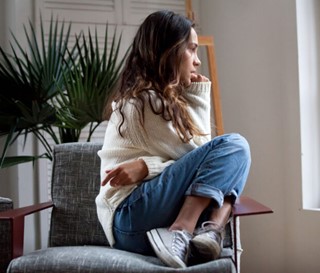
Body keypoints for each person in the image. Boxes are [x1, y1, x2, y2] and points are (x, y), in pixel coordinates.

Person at [95, 10, 251, 269]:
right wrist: (199, 95)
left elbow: (205, 167)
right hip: (131, 216)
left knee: (229, 165)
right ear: (169, 51)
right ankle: (186, 228)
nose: (197, 62)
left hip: (143, 219)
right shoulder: (144, 103)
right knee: (236, 147)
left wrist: (147, 166)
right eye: (191, 50)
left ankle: (209, 232)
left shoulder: (161, 101)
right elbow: (206, 154)